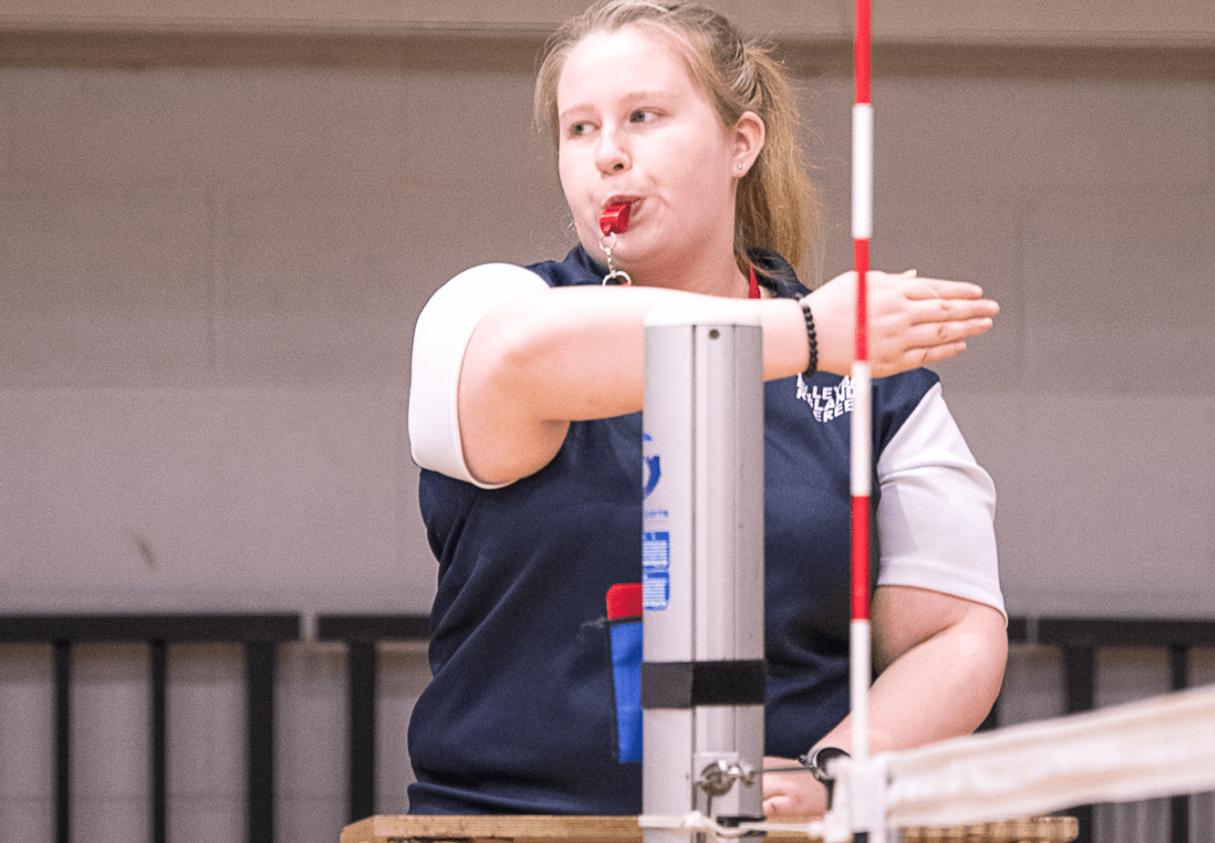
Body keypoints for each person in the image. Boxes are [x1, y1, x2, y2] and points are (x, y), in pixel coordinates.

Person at [405, 0, 1008, 819]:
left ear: (740, 144)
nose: (608, 156)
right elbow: (520, 360)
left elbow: (954, 633)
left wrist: (835, 773)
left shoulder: (879, 387)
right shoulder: (490, 308)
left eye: (643, 117)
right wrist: (806, 329)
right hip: (506, 824)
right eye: (579, 130)